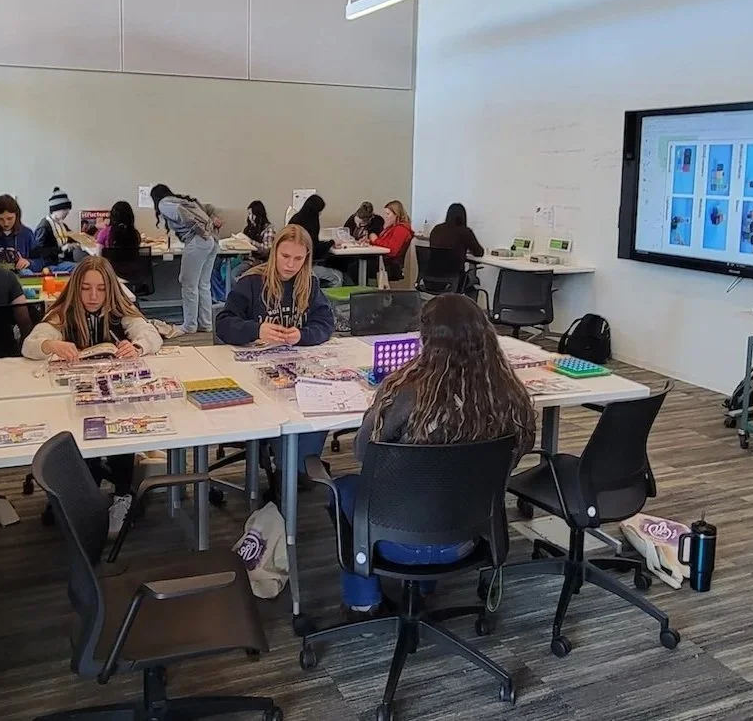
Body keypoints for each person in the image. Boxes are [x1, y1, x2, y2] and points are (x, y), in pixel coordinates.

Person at [336, 294, 537, 616]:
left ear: (427, 337)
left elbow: (363, 452)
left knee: (343, 488)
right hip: (469, 536)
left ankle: (363, 601)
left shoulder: (405, 390)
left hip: (398, 538)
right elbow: (519, 451)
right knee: (443, 487)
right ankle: (423, 588)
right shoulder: (508, 394)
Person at [22, 257, 163, 533]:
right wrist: (51, 344)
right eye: (86, 288)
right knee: (76, 436)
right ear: (76, 288)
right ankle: (80, 491)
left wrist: (137, 346)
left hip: (115, 397)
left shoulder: (120, 310)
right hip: (74, 399)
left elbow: (151, 334)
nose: (93, 296)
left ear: (110, 289)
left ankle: (122, 493)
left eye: (100, 289)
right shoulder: (63, 313)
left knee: (121, 427)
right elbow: (30, 344)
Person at [215, 224, 335, 490]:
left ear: (307, 259)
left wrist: (301, 335)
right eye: (285, 256)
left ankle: (299, 466)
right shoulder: (252, 282)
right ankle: (289, 468)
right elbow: (223, 324)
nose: (290, 265)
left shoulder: (309, 284)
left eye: (298, 259)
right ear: (274, 253)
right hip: (253, 373)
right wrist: (255, 329)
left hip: (295, 370)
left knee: (319, 402)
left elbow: (325, 324)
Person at [151, 184, 220, 336]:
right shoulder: (182, 201)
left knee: (188, 284)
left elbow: (181, 214)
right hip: (211, 241)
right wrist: (207, 231)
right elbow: (207, 211)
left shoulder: (164, 204)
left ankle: (189, 325)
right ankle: (206, 323)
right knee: (203, 284)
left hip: (197, 240)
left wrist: (200, 231)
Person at [0, 194, 42, 273]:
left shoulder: (27, 234)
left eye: (10, 218)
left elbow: (40, 262)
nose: (6, 223)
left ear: (17, 216)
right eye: (0, 219)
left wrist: (29, 263)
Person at [429, 202, 485, 292]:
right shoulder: (465, 232)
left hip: (430, 278)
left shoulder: (436, 229)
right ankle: (468, 305)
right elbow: (479, 252)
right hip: (453, 280)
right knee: (473, 284)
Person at [290, 194, 344, 287]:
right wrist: (331, 242)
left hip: (297, 264)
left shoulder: (296, 219)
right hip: (304, 266)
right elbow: (314, 249)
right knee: (338, 277)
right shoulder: (310, 223)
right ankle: (324, 300)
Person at [33, 187, 78, 272]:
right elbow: (39, 251)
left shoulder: (62, 225)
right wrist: (62, 249)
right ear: (55, 209)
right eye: (65, 209)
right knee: (78, 268)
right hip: (50, 264)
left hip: (62, 261)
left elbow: (73, 237)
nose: (68, 212)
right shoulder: (44, 227)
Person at [370, 200, 414, 281]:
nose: (386, 216)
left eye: (388, 214)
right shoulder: (391, 228)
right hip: (384, 261)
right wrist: (369, 242)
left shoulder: (401, 229)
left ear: (396, 215)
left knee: (355, 267)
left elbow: (392, 250)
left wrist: (375, 240)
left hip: (391, 265)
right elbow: (383, 243)